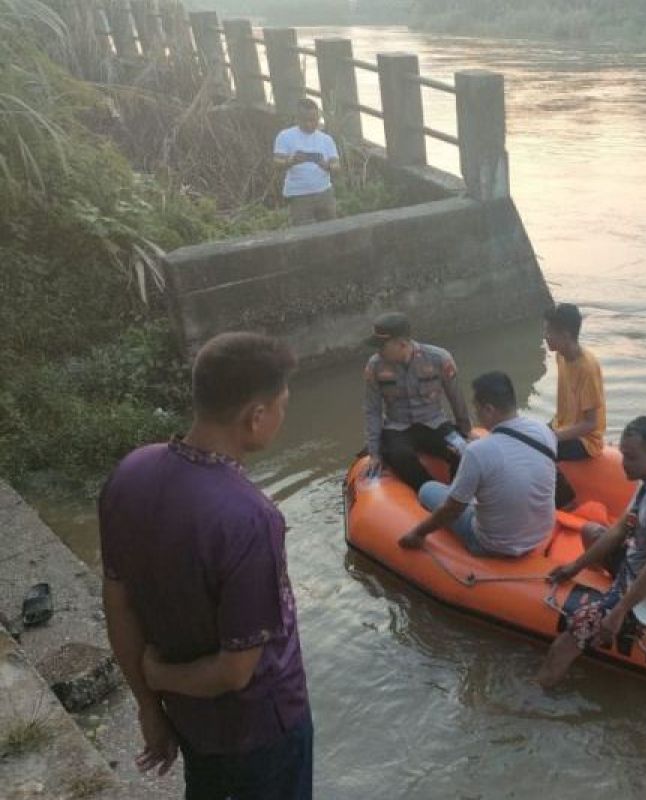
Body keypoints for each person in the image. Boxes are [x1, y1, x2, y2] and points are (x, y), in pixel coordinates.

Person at [99, 332, 312, 799]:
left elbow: (118, 604)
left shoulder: (131, 472)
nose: (280, 418)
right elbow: (236, 671)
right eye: (281, 407)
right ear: (255, 417)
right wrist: (158, 677)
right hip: (263, 725)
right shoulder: (250, 518)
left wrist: (150, 707)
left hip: (190, 720)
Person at [537, 416, 646, 688]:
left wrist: (619, 611)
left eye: (630, 457)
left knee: (563, 645)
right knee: (591, 531)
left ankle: (535, 698)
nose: (623, 463)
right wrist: (574, 567)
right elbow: (619, 530)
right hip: (634, 566)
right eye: (622, 455)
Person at [399, 371, 555, 557]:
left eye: (476, 408)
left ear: (488, 409)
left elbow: (452, 510)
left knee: (428, 489)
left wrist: (417, 533)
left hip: (494, 544)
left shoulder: (478, 452)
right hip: (539, 534)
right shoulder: (544, 432)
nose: (475, 413)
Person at [363, 311, 472, 491]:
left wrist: (465, 432)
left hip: (435, 422)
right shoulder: (374, 366)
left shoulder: (440, 359)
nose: (378, 351)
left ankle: (457, 495)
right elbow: (372, 409)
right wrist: (374, 453)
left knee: (463, 452)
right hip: (398, 427)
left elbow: (456, 397)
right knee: (399, 456)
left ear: (402, 344)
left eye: (382, 346)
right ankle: (432, 495)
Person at [543, 303, 606, 461]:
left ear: (565, 335)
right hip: (563, 425)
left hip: (585, 440)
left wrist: (554, 436)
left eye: (549, 331)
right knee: (529, 437)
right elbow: (566, 406)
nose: (545, 336)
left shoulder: (587, 368)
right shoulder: (561, 356)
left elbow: (591, 424)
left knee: (539, 450)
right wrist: (550, 429)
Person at [273, 98, 340, 226]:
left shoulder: (326, 139)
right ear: (297, 118)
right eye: (305, 120)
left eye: (313, 120)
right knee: (304, 236)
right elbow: (276, 163)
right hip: (299, 195)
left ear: (318, 118)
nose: (309, 124)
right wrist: (291, 161)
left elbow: (337, 166)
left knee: (331, 232)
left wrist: (326, 166)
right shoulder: (285, 136)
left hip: (324, 193)